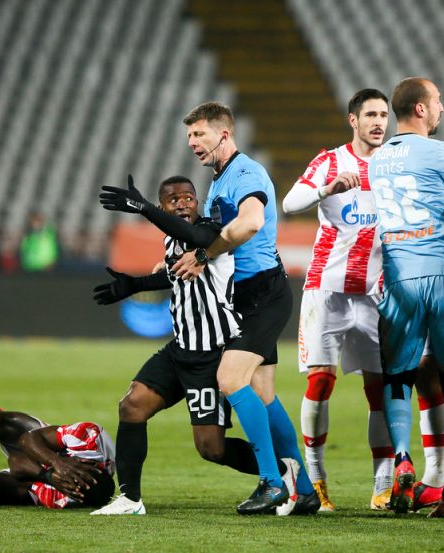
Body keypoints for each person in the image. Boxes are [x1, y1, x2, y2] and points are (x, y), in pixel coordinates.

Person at [94, 175, 306, 514]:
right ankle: (130, 499)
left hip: (213, 356)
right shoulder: (170, 242)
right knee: (132, 405)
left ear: (198, 202)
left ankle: (283, 472)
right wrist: (133, 285)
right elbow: (174, 272)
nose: (181, 203)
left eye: (187, 197)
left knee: (211, 449)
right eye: (172, 199)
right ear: (165, 205)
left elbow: (195, 240)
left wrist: (143, 208)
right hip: (180, 351)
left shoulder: (212, 233)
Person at [159, 102, 315, 515]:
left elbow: (248, 223)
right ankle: (304, 487)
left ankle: (271, 482)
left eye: (200, 134)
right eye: (189, 136)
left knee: (230, 379)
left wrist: (205, 254)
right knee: (262, 392)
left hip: (262, 293)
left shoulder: (245, 174)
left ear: (224, 134)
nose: (192, 142)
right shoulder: (221, 177)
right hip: (250, 294)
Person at [369, 77, 444, 516]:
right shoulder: (442, 153)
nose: (442, 109)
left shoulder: (377, 160)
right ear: (420, 109)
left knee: (398, 377)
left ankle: (402, 458)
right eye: (437, 102)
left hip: (398, 278)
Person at [281, 89, 393, 511]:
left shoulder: (393, 166)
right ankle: (317, 482)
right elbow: (290, 203)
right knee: (320, 381)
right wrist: (327, 189)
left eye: (384, 114)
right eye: (370, 115)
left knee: (378, 388)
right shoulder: (331, 161)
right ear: (353, 120)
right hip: (326, 291)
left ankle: (382, 486)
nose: (379, 122)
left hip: (375, 294)